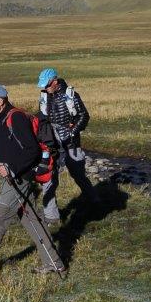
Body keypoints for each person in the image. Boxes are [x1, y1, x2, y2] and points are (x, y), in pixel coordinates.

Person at [0, 85, 66, 281]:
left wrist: (13, 169)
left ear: (1, 100)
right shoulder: (0, 120)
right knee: (32, 219)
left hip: (19, 179)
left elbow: (32, 150)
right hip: (14, 177)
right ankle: (55, 263)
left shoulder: (15, 117)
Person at [36, 68, 94, 225]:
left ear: (55, 82)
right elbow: (41, 118)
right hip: (51, 144)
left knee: (78, 174)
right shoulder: (44, 96)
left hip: (71, 144)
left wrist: (73, 132)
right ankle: (51, 216)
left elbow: (84, 116)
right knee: (49, 177)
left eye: (47, 85)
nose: (45, 88)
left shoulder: (71, 95)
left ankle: (93, 201)